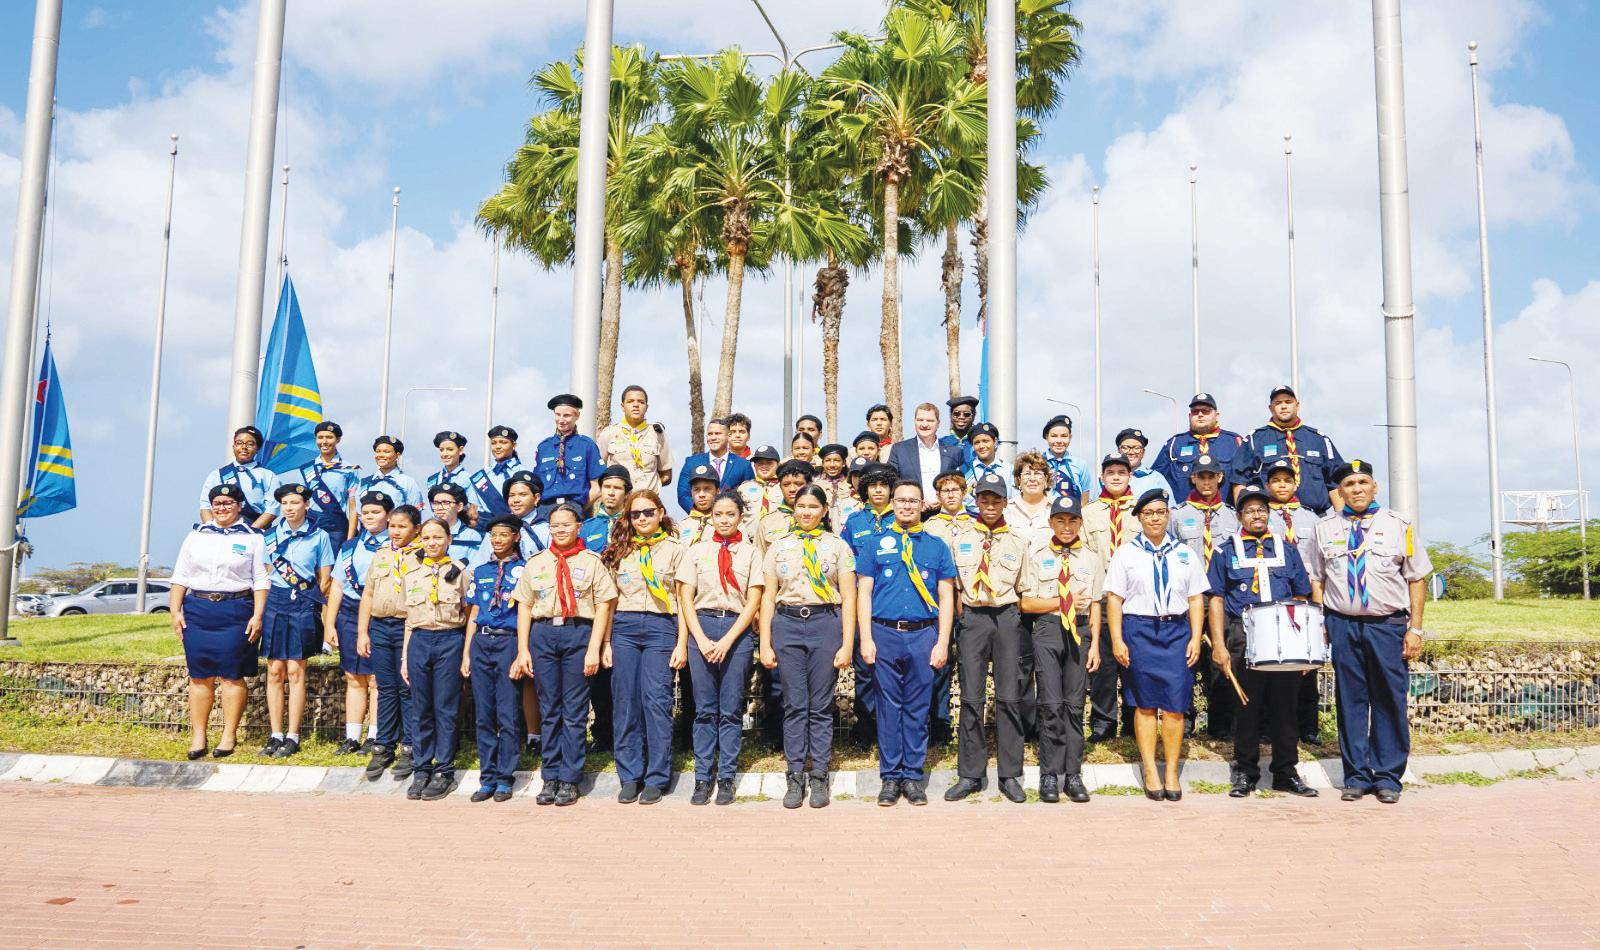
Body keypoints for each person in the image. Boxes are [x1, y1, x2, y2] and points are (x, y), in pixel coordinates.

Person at [1304, 460, 1432, 804]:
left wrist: (1415, 628)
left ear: (1375, 487)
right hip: (1343, 624)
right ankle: (1356, 776)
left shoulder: (1399, 525)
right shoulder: (1324, 528)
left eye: (1363, 482)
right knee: (1351, 701)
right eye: (1349, 484)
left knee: (1389, 699)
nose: (1357, 489)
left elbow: (1416, 577)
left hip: (1387, 625)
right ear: (1340, 492)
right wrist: (1321, 621)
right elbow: (1317, 578)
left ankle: (1388, 776)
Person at [1207, 485, 1318, 799]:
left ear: (1268, 514)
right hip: (1243, 635)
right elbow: (1216, 598)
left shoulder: (1287, 549)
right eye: (1249, 510)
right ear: (1239, 516)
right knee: (1246, 707)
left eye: (1261, 510)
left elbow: (1301, 594)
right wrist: (1219, 644)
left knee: (1285, 707)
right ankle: (1245, 771)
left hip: (1284, 635)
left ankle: (1286, 772)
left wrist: (1302, 645)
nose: (1256, 515)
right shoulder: (1225, 551)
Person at [855, 480, 956, 807]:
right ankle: (890, 776)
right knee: (887, 708)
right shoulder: (873, 543)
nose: (907, 506)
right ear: (893, 504)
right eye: (901, 500)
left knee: (917, 707)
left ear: (922, 505)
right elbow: (864, 593)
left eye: (913, 501)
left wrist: (942, 642)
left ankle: (912, 776)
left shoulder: (936, 546)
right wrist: (866, 638)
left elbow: (946, 596)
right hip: (884, 633)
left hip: (923, 634)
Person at [1104, 488, 1210, 801]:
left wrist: (1195, 637)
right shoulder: (1126, 554)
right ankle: (1150, 768)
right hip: (1139, 631)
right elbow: (1114, 599)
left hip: (1175, 632)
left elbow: (1195, 599)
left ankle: (1172, 771)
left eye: (1160, 512)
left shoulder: (1184, 553)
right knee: (1146, 704)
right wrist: (1117, 639)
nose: (1154, 518)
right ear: (1138, 518)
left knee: (1176, 705)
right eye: (1148, 513)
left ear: (1168, 515)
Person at [511, 503, 617, 806]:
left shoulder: (592, 562)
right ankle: (551, 775)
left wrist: (595, 647)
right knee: (550, 708)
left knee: (574, 710)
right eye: (555, 525)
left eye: (566, 525)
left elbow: (604, 605)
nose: (560, 530)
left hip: (578, 633)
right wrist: (522, 649)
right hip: (544, 634)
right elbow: (525, 606)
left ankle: (570, 778)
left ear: (578, 527)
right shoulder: (537, 563)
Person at [760, 485, 856, 809]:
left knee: (820, 705)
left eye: (813, 506)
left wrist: (847, 643)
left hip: (824, 623)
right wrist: (765, 643)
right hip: (787, 625)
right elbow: (768, 598)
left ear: (824, 510)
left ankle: (819, 775)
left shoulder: (838, 546)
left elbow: (849, 597)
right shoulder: (779, 546)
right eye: (801, 506)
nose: (806, 512)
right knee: (794, 704)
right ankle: (795, 773)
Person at [943, 473, 1031, 803]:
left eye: (996, 500)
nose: (990, 505)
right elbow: (954, 586)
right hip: (973, 618)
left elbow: (1024, 587)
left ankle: (1010, 774)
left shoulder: (1018, 541)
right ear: (976, 501)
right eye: (984, 499)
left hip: (1006, 617)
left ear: (1006, 502)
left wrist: (1011, 618)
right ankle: (970, 773)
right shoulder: (960, 538)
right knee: (971, 698)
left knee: (1009, 696)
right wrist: (964, 618)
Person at [168, 484, 268, 759]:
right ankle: (198, 736)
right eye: (217, 503)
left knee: (231, 676)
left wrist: (258, 615)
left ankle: (228, 735)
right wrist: (175, 611)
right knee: (199, 676)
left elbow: (261, 579)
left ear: (239, 506)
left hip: (236, 611)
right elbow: (181, 575)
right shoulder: (196, 535)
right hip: (198, 611)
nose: (222, 508)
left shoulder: (253, 537)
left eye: (228, 503)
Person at [677, 491, 764, 806]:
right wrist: (700, 638)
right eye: (718, 514)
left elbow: (753, 600)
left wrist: (728, 640)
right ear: (710, 517)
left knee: (730, 709)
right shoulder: (696, 551)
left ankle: (726, 776)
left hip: (736, 631)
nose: (724, 520)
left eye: (730, 514)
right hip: (702, 627)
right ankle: (703, 777)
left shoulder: (751, 553)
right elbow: (685, 597)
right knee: (704, 710)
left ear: (741, 517)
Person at [601, 489, 685, 804]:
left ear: (661, 513)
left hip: (661, 627)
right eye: (635, 514)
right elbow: (608, 601)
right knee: (625, 701)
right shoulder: (619, 549)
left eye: (648, 512)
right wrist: (606, 642)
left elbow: (683, 599)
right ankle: (630, 774)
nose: (642, 518)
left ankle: (657, 776)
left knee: (657, 700)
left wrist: (681, 643)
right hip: (624, 627)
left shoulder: (676, 550)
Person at [1020, 495, 1103, 804]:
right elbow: (1026, 603)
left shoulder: (1091, 557)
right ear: (1050, 522)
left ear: (1080, 522)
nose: (1067, 527)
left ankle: (1073, 774)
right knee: (1051, 703)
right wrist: (1062, 601)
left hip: (1080, 631)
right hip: (1048, 628)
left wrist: (1095, 645)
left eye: (1072, 520)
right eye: (1060, 520)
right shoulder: (1038, 555)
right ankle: (1050, 774)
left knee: (1075, 705)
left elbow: (1095, 604)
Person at [258, 483, 334, 758]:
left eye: (295, 503)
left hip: (304, 601)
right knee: (275, 670)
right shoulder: (269, 536)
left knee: (295, 670)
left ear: (306, 505)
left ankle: (293, 735)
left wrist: (310, 599)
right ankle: (275, 734)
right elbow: (266, 572)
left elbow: (325, 578)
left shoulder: (319, 536)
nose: (289, 508)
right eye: (285, 504)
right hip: (276, 600)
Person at [400, 518, 471, 801]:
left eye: (438, 537)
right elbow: (408, 619)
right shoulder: (412, 573)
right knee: (421, 708)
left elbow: (469, 614)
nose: (432, 543)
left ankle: (444, 769)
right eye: (427, 538)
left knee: (445, 707)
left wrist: (465, 653)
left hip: (449, 639)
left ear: (449, 539)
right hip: (419, 640)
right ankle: (421, 768)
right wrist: (405, 657)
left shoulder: (461, 572)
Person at [1171, 454, 1241, 739]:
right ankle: (1186, 719)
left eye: (1212, 476)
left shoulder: (1232, 516)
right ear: (1193, 478)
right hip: (1188, 598)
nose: (1207, 482)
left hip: (1220, 599)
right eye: (1202, 476)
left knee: (1219, 659)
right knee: (1186, 659)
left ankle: (1220, 724)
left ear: (1220, 477)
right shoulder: (1178, 514)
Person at [461, 515, 526, 804]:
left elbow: (526, 612)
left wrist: (522, 652)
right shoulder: (481, 571)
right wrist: (466, 652)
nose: (498, 540)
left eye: (504, 534)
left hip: (508, 641)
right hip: (481, 642)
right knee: (484, 713)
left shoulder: (524, 570)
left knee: (507, 712)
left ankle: (505, 777)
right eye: (494, 535)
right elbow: (474, 613)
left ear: (516, 537)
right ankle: (487, 777)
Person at [323, 491, 392, 756]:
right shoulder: (350, 546)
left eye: (376, 512)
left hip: (380, 613)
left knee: (376, 678)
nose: (369, 517)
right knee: (353, 676)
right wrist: (330, 624)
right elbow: (337, 586)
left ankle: (375, 735)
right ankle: (352, 736)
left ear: (388, 516)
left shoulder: (395, 546)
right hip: (350, 613)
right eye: (365, 513)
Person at [357, 504, 422, 782]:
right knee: (384, 688)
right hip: (381, 627)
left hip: (408, 628)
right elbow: (368, 594)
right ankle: (383, 744)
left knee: (407, 688)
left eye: (402, 526)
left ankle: (410, 745)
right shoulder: (382, 554)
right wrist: (363, 632)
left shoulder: (423, 555)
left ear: (416, 529)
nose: (395, 531)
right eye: (392, 526)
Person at [1263, 457, 1325, 745]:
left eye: (1287, 480)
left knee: (1305, 663)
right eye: (1276, 481)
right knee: (1271, 664)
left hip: (1306, 594)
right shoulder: (1263, 516)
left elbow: (1319, 561)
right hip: (1274, 594)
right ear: (1268, 485)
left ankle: (1308, 725)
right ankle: (1270, 725)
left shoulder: (1311, 519)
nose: (1282, 486)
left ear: (1295, 483)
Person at [1083, 452, 1141, 741]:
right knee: (1104, 663)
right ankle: (1103, 722)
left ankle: (1133, 720)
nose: (1116, 477)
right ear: (1101, 477)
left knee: (1133, 659)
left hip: (1135, 597)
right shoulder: (1089, 513)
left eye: (1121, 472)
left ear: (1130, 476)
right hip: (1104, 594)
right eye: (1110, 472)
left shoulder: (1142, 510)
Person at [841, 463, 898, 740]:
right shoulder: (854, 522)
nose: (878, 490)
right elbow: (845, 561)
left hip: (891, 601)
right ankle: (865, 724)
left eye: (883, 485)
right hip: (861, 602)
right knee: (864, 666)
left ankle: (890, 723)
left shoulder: (900, 518)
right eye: (872, 485)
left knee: (890, 665)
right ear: (864, 489)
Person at [1245, 385, 1345, 514]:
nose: (1283, 406)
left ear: (1297, 405)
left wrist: (1341, 520)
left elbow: (1336, 484)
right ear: (1271, 408)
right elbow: (1240, 481)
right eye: (1278, 403)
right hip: (1269, 517)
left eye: (1288, 402)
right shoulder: (1255, 439)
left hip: (1316, 517)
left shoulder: (1318, 439)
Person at [264, 420, 360, 551]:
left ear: (338, 439)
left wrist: (349, 540)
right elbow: (299, 502)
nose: (324, 442)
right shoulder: (307, 469)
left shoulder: (349, 469)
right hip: (310, 524)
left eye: (329, 437)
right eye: (320, 437)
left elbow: (353, 508)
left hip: (336, 527)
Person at [1152, 393, 1254, 505]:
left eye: (1206, 411)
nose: (1200, 414)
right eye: (1195, 411)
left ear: (1217, 415)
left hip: (1224, 513)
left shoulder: (1235, 442)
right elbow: (1155, 481)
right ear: (1189, 416)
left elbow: (1249, 480)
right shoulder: (1174, 444)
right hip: (1184, 514)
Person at [598, 384, 675, 494]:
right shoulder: (609, 433)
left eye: (641, 402)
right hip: (620, 500)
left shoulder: (657, 434)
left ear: (647, 407)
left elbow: (667, 475)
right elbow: (597, 470)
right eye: (630, 401)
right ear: (622, 406)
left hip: (647, 501)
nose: (635, 405)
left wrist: (650, 491)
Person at [887, 403, 966, 508]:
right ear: (914, 421)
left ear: (938, 423)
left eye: (930, 420)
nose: (924, 425)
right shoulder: (899, 450)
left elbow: (961, 484)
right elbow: (891, 482)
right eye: (920, 420)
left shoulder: (954, 452)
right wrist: (916, 501)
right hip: (911, 511)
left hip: (945, 512)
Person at [534, 394, 604, 512]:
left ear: (577, 416)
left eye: (566, 415)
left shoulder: (587, 445)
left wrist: (579, 509)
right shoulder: (543, 447)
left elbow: (597, 486)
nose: (561, 420)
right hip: (545, 510)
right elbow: (535, 486)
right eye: (558, 415)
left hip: (574, 508)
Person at [675, 417, 754, 514]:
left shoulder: (743, 465)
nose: (713, 438)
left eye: (717, 433)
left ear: (728, 436)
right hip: (700, 519)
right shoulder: (692, 462)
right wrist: (699, 514)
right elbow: (683, 494)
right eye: (710, 434)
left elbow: (750, 496)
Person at [197, 425, 271, 524]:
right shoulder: (217, 475)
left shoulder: (267, 476)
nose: (244, 447)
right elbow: (205, 506)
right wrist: (212, 529)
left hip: (255, 529)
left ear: (257, 448)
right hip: (222, 528)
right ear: (233, 447)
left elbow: (272, 509)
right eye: (239, 443)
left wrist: (250, 530)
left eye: (250, 444)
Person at [468, 425, 531, 519]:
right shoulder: (481, 477)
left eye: (503, 442)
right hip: (489, 525)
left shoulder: (525, 473)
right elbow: (475, 510)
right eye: (493, 443)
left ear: (514, 445)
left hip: (521, 524)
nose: (497, 447)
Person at [1101, 428, 1175, 502]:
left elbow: (1170, 507)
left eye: (1137, 448)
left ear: (1143, 452)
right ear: (1118, 451)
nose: (1131, 452)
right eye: (1125, 448)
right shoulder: (1105, 479)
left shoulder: (1156, 479)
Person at [357, 436, 425, 511]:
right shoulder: (364, 483)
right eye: (378, 451)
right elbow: (358, 512)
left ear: (397, 455)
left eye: (386, 452)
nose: (381, 455)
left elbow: (415, 513)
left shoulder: (407, 482)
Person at [426, 430, 480, 523]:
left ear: (460, 450)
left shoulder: (469, 479)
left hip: (460, 525)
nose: (445, 454)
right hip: (438, 525)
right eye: (441, 450)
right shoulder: (432, 480)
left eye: (450, 449)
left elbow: (472, 511)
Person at [1003, 451, 1054, 547]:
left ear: (1046, 479)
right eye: (1027, 474)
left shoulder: (1057, 508)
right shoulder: (1006, 509)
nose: (1032, 479)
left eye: (1037, 473)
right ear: (1019, 480)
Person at [429, 483, 485, 568]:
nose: (439, 508)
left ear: (459, 507)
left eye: (446, 503)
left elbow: (474, 569)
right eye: (436, 503)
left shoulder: (471, 536)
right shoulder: (426, 534)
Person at [758, 460, 813, 546]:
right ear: (780, 487)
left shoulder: (819, 517)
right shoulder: (767, 521)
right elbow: (760, 552)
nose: (792, 489)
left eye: (798, 484)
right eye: (786, 484)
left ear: (809, 485)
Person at [582, 465, 632, 552]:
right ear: (600, 490)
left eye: (617, 488)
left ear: (627, 493)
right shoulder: (586, 527)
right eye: (607, 487)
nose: (611, 493)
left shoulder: (633, 525)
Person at [1041, 414, 1090, 501]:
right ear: (1046, 437)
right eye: (1054, 436)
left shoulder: (1080, 464)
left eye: (1064, 436)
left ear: (1070, 437)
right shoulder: (1037, 463)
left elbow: (1085, 494)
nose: (1059, 441)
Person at [737, 444, 784, 529]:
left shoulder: (784, 487)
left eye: (769, 463)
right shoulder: (743, 488)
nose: (764, 466)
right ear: (754, 466)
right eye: (760, 463)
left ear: (778, 465)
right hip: (750, 536)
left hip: (777, 535)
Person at [962, 423, 1005, 513]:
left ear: (995, 441)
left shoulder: (1009, 470)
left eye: (985, 441)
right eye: (977, 442)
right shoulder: (966, 471)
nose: (981, 446)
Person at [677, 465, 720, 545]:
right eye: (696, 490)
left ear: (717, 491)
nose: (701, 495)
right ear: (691, 492)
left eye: (707, 489)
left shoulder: (726, 523)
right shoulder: (681, 526)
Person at [814, 443, 851, 519]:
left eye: (837, 460)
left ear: (844, 463)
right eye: (827, 460)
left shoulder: (851, 484)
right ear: (823, 463)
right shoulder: (815, 486)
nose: (832, 465)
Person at [942, 395, 979, 466]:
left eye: (966, 414)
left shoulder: (979, 443)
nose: (961, 417)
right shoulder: (941, 443)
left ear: (974, 415)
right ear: (951, 415)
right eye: (956, 414)